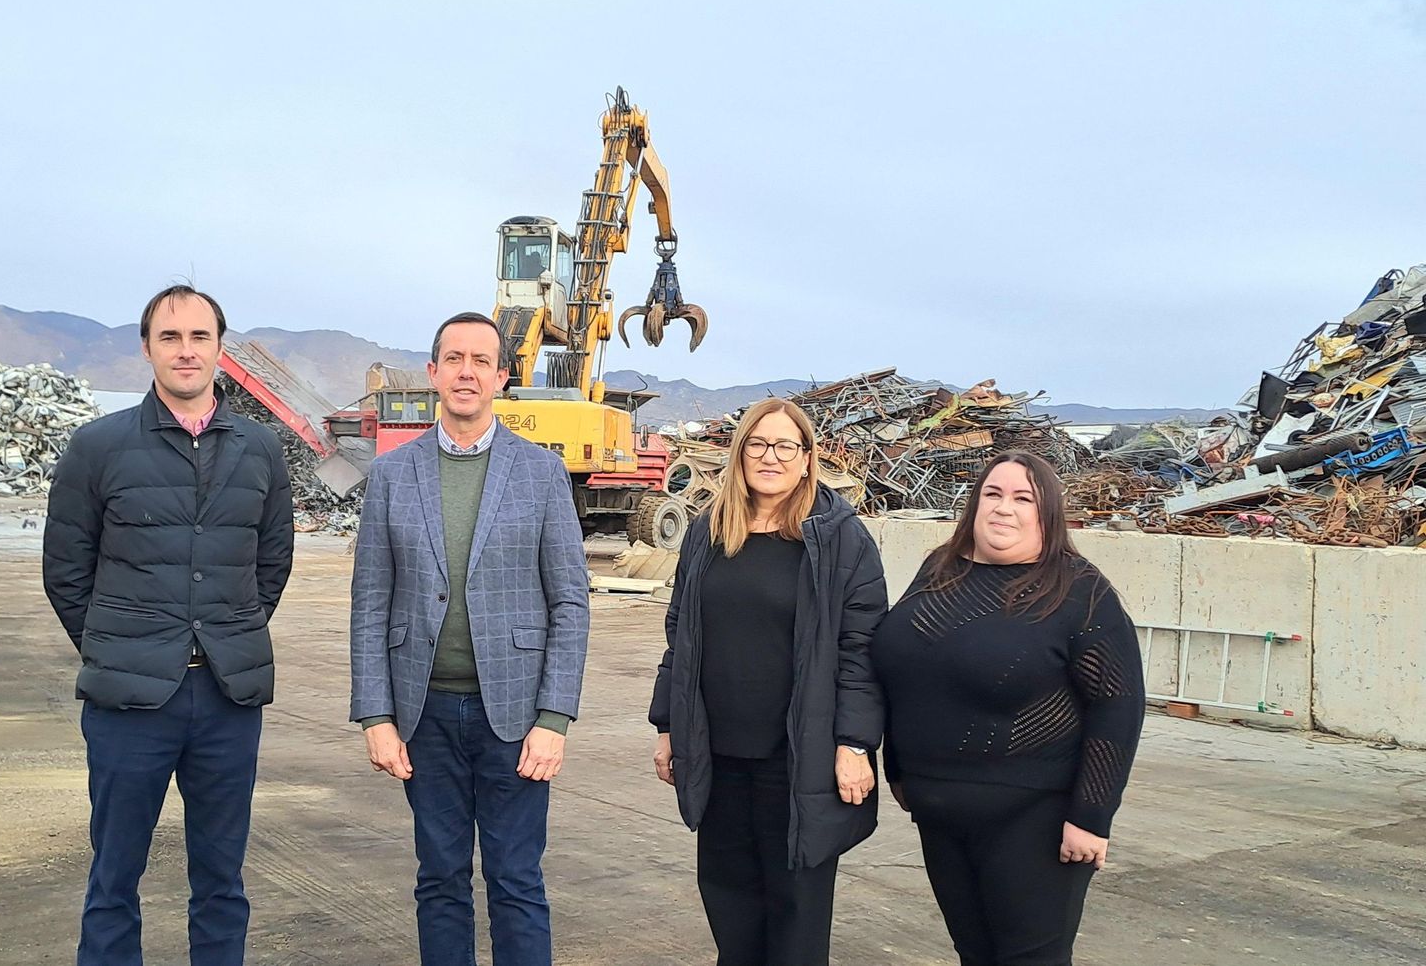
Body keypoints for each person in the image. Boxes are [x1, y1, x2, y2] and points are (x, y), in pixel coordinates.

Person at [43, 284, 294, 966]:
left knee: (220, 880)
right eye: (170, 338)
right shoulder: (98, 447)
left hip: (226, 699)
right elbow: (66, 570)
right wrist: (119, 647)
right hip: (129, 705)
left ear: (219, 347)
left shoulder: (261, 450)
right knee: (114, 876)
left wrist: (219, 635)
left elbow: (270, 565)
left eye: (200, 338)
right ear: (148, 348)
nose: (186, 352)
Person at [349, 311, 589, 966]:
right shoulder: (396, 476)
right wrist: (375, 714)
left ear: (502, 377)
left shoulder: (540, 474)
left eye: (480, 360)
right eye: (453, 358)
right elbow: (371, 599)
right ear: (433, 373)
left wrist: (554, 718)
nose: (465, 371)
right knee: (440, 879)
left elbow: (570, 601)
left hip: (513, 719)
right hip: (422, 716)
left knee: (516, 882)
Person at [872, 450, 1145, 966]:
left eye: (1024, 498)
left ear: (1048, 514)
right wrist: (900, 770)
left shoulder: (1079, 591)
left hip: (1033, 817)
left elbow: (1117, 707)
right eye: (993, 495)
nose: (1004, 509)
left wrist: (1092, 816)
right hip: (938, 809)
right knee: (974, 954)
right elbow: (907, 670)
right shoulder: (941, 569)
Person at [648, 397, 888, 966]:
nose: (770, 457)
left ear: (808, 458)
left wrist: (855, 743)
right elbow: (680, 635)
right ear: (739, 454)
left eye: (785, 445)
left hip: (798, 759)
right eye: (757, 444)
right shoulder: (709, 533)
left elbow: (862, 652)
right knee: (730, 909)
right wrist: (668, 726)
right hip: (720, 756)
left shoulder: (839, 541)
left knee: (795, 919)